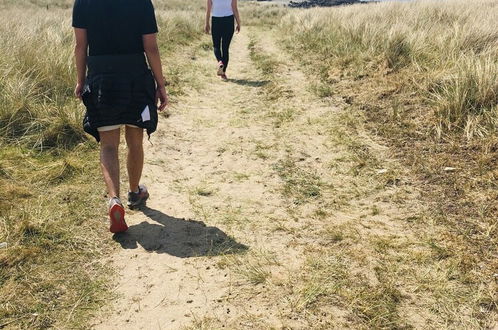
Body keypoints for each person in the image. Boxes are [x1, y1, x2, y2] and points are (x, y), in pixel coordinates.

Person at [72, 0, 168, 233]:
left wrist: (81, 80)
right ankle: (135, 192)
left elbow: (80, 46)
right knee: (134, 142)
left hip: (101, 77)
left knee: (108, 146)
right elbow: (151, 47)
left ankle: (114, 200)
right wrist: (161, 84)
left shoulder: (83, 2)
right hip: (135, 76)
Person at [204, 0, 241, 80]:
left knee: (216, 45)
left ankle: (220, 61)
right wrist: (238, 23)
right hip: (229, 21)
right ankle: (223, 73)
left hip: (216, 20)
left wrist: (207, 23)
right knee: (225, 48)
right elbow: (235, 8)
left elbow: (208, 10)